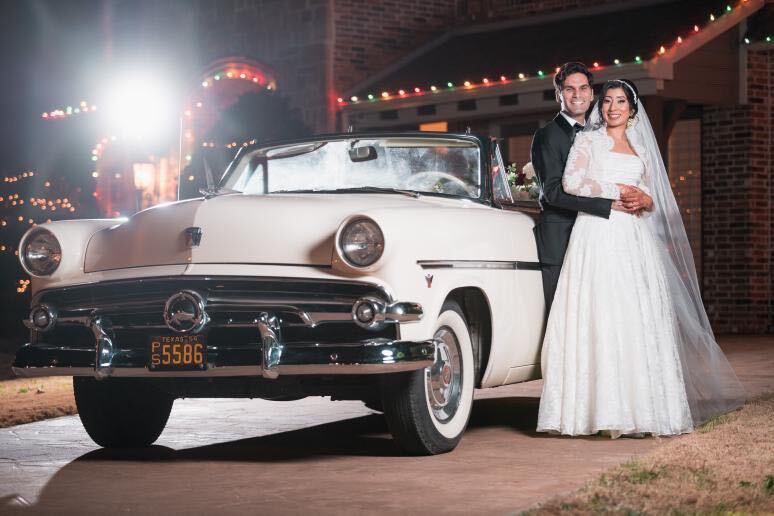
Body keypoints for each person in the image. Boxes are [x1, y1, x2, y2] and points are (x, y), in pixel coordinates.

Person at [536, 79, 746, 437]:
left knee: (636, 317)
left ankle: (642, 411)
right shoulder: (588, 140)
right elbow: (571, 183)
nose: (613, 108)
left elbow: (650, 193)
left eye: (621, 101)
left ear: (632, 108)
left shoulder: (642, 148)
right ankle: (597, 412)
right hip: (597, 234)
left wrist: (645, 200)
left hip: (634, 239)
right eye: (607, 101)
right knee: (601, 315)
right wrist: (617, 191)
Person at [530, 62, 650, 313]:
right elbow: (553, 193)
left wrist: (643, 199)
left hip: (602, 238)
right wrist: (609, 203)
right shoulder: (547, 135)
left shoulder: (599, 135)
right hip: (560, 239)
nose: (577, 95)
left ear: (592, 93)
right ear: (558, 94)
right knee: (564, 317)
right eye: (569, 89)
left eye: (583, 88)